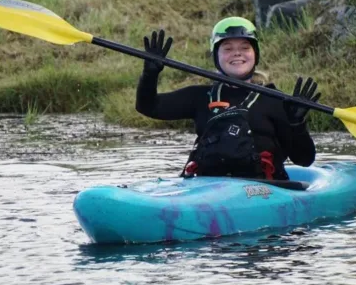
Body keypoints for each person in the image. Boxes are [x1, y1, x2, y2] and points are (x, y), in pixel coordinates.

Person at [135, 17, 321, 180]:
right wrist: (149, 74)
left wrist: (297, 124)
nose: (237, 53)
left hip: (264, 190)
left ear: (255, 55)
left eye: (245, 47)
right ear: (216, 56)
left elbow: (304, 159)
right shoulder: (200, 97)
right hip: (208, 188)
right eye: (228, 48)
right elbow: (148, 106)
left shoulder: (275, 101)